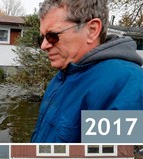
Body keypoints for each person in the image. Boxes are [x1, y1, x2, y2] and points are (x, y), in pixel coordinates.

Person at [31, 0, 143, 143]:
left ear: (92, 31)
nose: (43, 45)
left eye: (52, 36)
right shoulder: (63, 76)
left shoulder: (126, 87)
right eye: (42, 37)